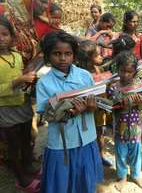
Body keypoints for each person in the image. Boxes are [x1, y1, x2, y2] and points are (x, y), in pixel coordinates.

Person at [36, 31, 103, 193]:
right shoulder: (44, 83)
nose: (63, 58)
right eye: (57, 54)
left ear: (74, 55)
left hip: (87, 139)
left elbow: (95, 103)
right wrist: (70, 112)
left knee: (84, 182)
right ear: (48, 56)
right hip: (61, 143)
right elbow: (45, 114)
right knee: (61, 184)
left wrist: (92, 107)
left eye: (68, 54)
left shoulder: (85, 76)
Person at [0, 16, 39, 192]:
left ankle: (28, 168)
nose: (1, 38)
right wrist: (18, 81)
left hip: (22, 104)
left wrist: (28, 80)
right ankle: (22, 179)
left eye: (4, 34)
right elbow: (14, 82)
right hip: (5, 109)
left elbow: (20, 79)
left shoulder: (16, 55)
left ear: (12, 37)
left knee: (26, 140)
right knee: (13, 146)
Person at [107, 51, 142, 191]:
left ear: (135, 71)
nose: (125, 74)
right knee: (121, 152)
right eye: (122, 70)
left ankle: (135, 175)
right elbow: (111, 106)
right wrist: (121, 103)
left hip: (136, 126)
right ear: (117, 69)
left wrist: (140, 102)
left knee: (136, 152)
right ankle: (122, 176)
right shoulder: (113, 87)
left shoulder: (140, 85)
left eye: (129, 71)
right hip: (120, 126)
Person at [0, 0, 55, 65]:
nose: (46, 6)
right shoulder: (3, 10)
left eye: (47, 3)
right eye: (42, 2)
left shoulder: (32, 22)